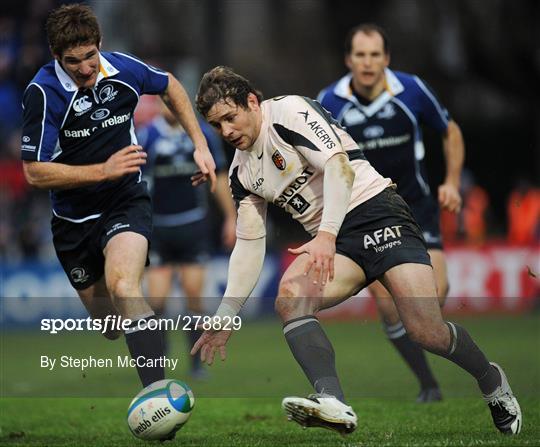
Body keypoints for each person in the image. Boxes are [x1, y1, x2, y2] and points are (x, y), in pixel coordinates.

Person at [190, 66, 521, 436]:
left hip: (377, 213)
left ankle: (491, 380)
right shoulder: (241, 173)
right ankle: (333, 402)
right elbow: (250, 243)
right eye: (217, 126)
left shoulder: (288, 112)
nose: (227, 132)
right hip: (335, 242)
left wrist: (327, 235)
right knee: (290, 297)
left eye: (230, 118)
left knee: (427, 332)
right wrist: (227, 312)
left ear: (252, 101)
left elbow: (339, 168)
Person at [20, 4, 216, 389]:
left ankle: (157, 396)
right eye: (73, 61)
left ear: (100, 45)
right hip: (73, 221)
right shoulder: (42, 94)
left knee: (125, 287)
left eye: (90, 55)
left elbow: (170, 84)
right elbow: (33, 171)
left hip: (125, 200)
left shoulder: (123, 70)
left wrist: (199, 144)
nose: (85, 68)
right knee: (110, 327)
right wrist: (101, 170)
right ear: (56, 57)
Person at [317, 24, 465, 402]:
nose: (368, 63)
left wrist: (450, 180)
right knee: (391, 307)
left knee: (434, 298)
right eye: (360, 55)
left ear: (386, 58)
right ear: (349, 59)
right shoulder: (329, 102)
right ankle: (428, 384)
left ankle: (439, 351)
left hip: (417, 207)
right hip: (370, 212)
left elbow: (450, 131)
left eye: (375, 55)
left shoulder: (411, 90)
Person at [138, 101, 236, 378]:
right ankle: (159, 363)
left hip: (193, 224)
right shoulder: (146, 136)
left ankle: (195, 365)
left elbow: (218, 175)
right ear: (158, 104)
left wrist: (231, 217)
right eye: (164, 101)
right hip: (158, 229)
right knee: (156, 301)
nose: (170, 106)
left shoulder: (200, 135)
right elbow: (136, 184)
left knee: (194, 295)